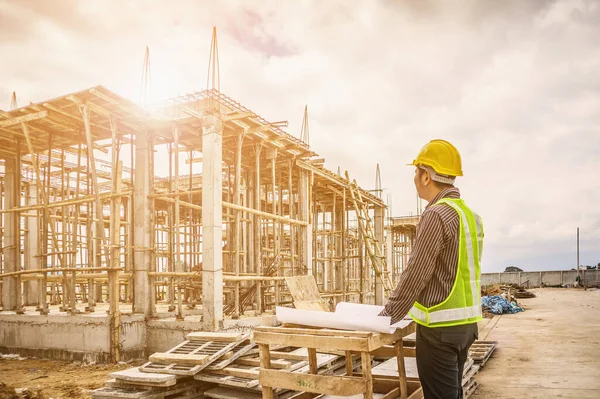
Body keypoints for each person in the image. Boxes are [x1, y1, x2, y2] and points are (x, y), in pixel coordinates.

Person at [379, 139, 484, 399]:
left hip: (440, 331)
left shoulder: (436, 214)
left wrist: (386, 316)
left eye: (416, 171)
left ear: (426, 176)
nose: (414, 178)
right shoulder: (470, 215)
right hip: (466, 326)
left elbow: (416, 272)